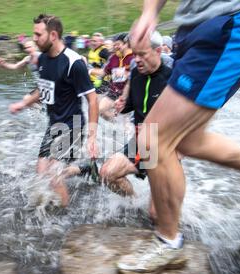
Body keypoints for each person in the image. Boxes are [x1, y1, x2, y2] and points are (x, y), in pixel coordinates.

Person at [116, 0, 240, 274]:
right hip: (193, 28)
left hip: (239, 21)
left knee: (152, 138)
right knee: (187, 141)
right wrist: (150, 12)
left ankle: (168, 241)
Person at [64, 31, 173, 221]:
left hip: (165, 145)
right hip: (141, 140)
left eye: (142, 54)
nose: (135, 59)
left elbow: (192, 113)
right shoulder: (137, 76)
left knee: (156, 215)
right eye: (135, 54)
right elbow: (130, 106)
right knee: (107, 173)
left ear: (158, 51)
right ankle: (135, 203)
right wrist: (122, 106)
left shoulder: (172, 77)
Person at [10, 14, 99, 207]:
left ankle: (63, 215)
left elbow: (92, 100)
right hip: (54, 125)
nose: (33, 38)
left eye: (37, 34)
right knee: (41, 172)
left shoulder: (73, 62)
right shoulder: (42, 59)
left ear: (53, 35)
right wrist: (24, 103)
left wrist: (92, 137)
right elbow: (44, 89)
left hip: (73, 125)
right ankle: (85, 170)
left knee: (54, 175)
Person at [89, 33, 134, 121]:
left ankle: (125, 125)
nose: (115, 47)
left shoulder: (133, 57)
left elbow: (136, 75)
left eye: (118, 44)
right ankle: (116, 123)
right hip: (114, 91)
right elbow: (104, 72)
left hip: (129, 94)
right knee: (99, 110)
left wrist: (125, 74)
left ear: (126, 44)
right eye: (114, 44)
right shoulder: (114, 57)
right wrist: (89, 71)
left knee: (127, 119)